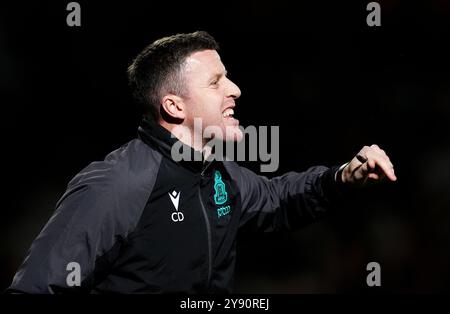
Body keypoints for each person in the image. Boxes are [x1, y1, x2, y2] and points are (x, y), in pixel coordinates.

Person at [6, 31, 396, 294]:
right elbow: (37, 286)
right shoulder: (117, 185)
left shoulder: (215, 171)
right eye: (216, 81)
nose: (235, 89)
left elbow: (278, 200)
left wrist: (343, 177)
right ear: (174, 106)